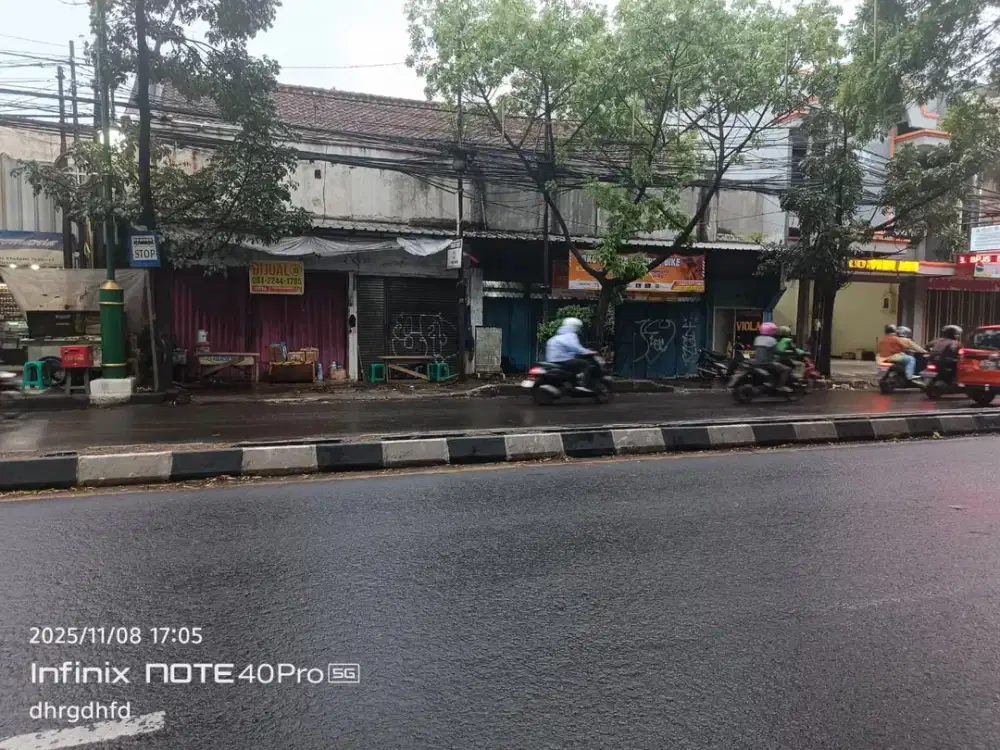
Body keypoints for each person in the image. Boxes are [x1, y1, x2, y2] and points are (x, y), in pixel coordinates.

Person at [545, 316, 596, 391]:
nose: (578, 329)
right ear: (574, 326)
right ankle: (585, 385)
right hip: (563, 360)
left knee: (576, 364)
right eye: (578, 327)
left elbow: (569, 348)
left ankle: (574, 382)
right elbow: (576, 348)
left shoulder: (558, 336)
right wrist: (590, 352)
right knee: (587, 364)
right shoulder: (570, 335)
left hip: (553, 360)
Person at [751, 322, 791, 392]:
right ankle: (780, 386)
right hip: (767, 363)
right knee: (787, 369)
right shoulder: (772, 340)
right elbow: (778, 351)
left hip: (756, 362)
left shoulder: (757, 338)